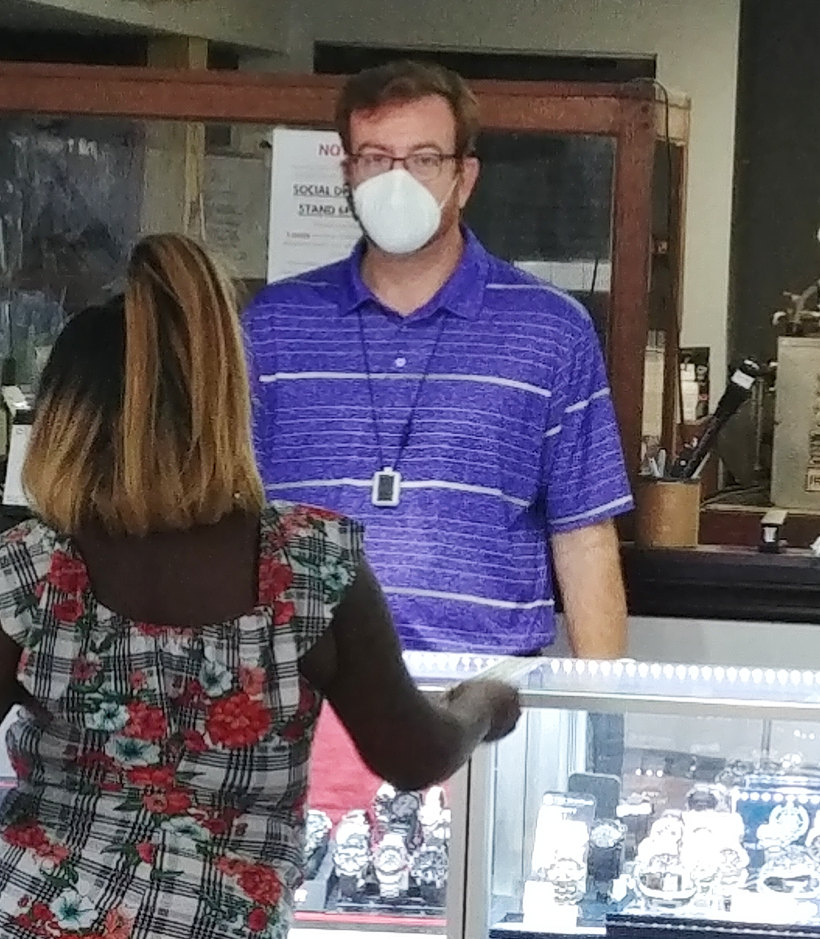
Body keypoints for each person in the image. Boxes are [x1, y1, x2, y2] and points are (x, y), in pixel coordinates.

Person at [0, 233, 521, 939]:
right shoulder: (312, 565)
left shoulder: (23, 567)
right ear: (222, 404)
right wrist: (485, 702)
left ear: (63, 424)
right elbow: (415, 754)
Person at [243, 60, 632, 660]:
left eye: (424, 159)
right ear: (347, 172)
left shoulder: (550, 330)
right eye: (375, 158)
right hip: (299, 699)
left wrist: (603, 719)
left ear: (464, 177)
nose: (397, 182)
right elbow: (222, 515)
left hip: (482, 699)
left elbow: (583, 537)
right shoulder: (271, 327)